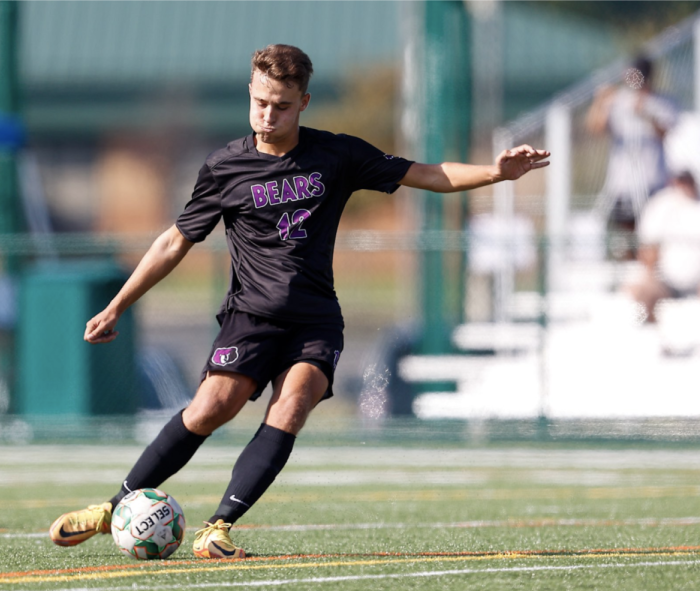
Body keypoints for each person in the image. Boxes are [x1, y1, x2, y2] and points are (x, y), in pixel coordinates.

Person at [49, 44, 549, 558]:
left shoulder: (336, 154)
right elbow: (174, 241)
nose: (269, 114)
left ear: (304, 102)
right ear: (250, 92)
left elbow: (425, 173)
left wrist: (496, 172)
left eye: (282, 105)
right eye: (261, 102)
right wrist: (117, 305)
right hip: (250, 317)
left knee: (291, 406)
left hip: (315, 320)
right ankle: (112, 507)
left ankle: (216, 528)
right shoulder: (224, 167)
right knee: (209, 409)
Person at [586, 56, 679, 238]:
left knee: (652, 233)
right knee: (626, 236)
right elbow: (595, 128)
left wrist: (645, 113)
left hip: (653, 181)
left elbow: (666, 133)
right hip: (623, 184)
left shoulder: (663, 102)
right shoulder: (619, 101)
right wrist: (600, 102)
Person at [626, 170, 700, 322]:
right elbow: (647, 248)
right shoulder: (661, 205)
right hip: (664, 281)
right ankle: (649, 331)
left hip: (696, 281)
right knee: (641, 291)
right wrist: (651, 274)